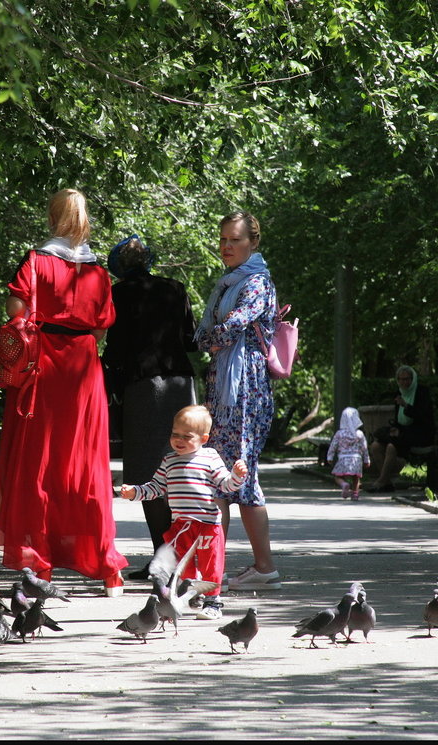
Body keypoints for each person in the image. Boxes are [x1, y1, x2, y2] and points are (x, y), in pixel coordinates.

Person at [0, 188, 129, 597]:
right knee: (86, 465)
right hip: (83, 368)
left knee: (39, 462)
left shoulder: (36, 260)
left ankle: (42, 565)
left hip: (43, 365)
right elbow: (103, 327)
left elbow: (16, 310)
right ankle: (108, 570)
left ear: (53, 217)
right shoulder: (98, 271)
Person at [193, 211, 280, 593]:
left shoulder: (257, 281)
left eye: (235, 240)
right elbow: (214, 331)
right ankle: (233, 568)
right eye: (223, 239)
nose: (227, 246)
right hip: (225, 388)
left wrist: (204, 340)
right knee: (225, 479)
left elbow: (229, 329)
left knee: (236, 478)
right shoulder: (229, 281)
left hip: (244, 390)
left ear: (253, 243)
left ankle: (232, 570)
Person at [101, 234, 198, 580]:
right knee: (183, 469)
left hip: (143, 388)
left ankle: (163, 557)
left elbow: (114, 350)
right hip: (180, 386)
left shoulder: (118, 294)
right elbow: (191, 339)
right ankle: (181, 560)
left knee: (147, 474)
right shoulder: (175, 288)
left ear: (120, 269)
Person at [119, 405, 248, 620]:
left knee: (211, 564)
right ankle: (190, 594)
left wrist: (237, 476)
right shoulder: (169, 461)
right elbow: (155, 488)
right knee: (182, 564)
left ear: (204, 438)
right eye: (174, 434)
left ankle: (213, 602)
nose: (178, 440)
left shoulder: (210, 457)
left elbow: (226, 486)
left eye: (187, 436)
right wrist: (134, 492)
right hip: (181, 525)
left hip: (208, 524)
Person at [367, 365, 437, 492]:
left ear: (413, 379)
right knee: (375, 446)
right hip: (403, 432)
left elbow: (423, 417)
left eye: (407, 379)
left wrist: (406, 405)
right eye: (401, 379)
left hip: (420, 433)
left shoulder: (421, 392)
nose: (404, 382)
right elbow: (398, 418)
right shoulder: (399, 392)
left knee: (391, 446)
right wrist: (395, 428)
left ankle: (381, 481)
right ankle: (386, 483)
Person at [326, 406, 371, 500]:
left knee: (337, 476)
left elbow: (333, 446)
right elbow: (364, 448)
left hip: (343, 458)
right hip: (357, 459)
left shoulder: (339, 433)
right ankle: (355, 494)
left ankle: (344, 484)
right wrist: (366, 460)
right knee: (356, 477)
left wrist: (329, 457)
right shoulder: (360, 434)